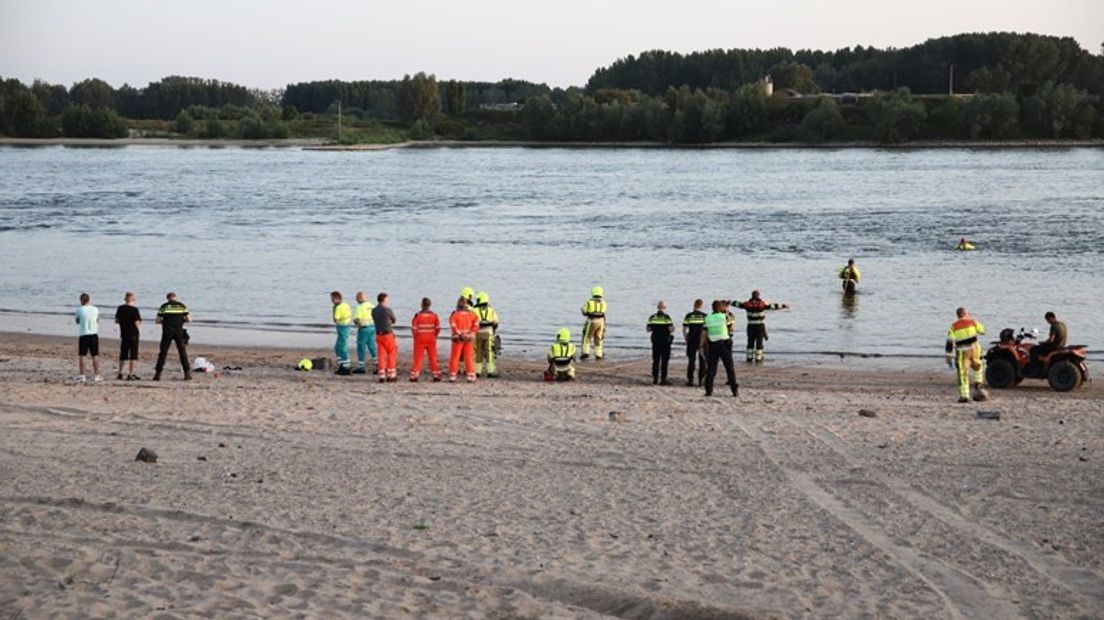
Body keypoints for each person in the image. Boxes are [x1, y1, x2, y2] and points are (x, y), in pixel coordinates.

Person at [945, 307, 988, 403]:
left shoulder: (954, 327)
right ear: (966, 314)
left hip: (962, 352)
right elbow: (983, 331)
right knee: (978, 366)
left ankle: (964, 396)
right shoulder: (973, 322)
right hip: (975, 350)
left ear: (958, 315)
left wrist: (948, 356)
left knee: (962, 373)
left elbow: (949, 342)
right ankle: (978, 383)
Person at [735, 290, 790, 363]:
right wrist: (784, 306)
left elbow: (737, 304)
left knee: (750, 342)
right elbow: (773, 306)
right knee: (759, 343)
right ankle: (758, 358)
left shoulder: (747, 304)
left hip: (750, 325)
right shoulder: (762, 304)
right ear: (758, 295)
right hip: (760, 326)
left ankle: (749, 358)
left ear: (752, 295)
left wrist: (728, 302)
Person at [701, 300, 739, 397]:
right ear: (720, 308)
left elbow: (704, 333)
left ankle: (708, 390)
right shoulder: (724, 317)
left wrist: (701, 345)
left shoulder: (707, 318)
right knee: (729, 368)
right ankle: (734, 390)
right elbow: (732, 329)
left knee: (711, 369)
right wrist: (728, 317)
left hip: (712, 345)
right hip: (724, 344)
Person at [153, 292, 191, 381]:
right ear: (175, 297)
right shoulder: (181, 306)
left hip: (167, 331)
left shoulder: (164, 306)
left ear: (167, 298)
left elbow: (157, 320)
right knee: (182, 352)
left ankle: (158, 374)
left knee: (163, 352)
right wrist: (181, 320)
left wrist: (164, 322)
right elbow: (189, 319)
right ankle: (187, 373)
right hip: (178, 331)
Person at [409, 297, 442, 382]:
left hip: (420, 339)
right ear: (430, 305)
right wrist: (434, 335)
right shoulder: (434, 315)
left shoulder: (418, 316)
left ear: (421, 305)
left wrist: (415, 337)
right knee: (433, 357)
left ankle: (414, 375)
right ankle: (436, 375)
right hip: (431, 338)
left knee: (418, 358)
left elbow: (414, 328)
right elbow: (438, 328)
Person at [448, 297, 479, 382]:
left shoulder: (455, 314)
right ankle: (470, 375)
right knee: (468, 357)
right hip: (468, 339)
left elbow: (453, 325)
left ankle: (453, 375)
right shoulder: (472, 314)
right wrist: (470, 334)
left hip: (457, 339)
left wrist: (460, 334)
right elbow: (476, 324)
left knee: (455, 357)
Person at [114, 291, 142, 380]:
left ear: (125, 299)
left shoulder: (120, 308)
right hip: (133, 334)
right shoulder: (134, 310)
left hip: (124, 333)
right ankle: (130, 373)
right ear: (133, 299)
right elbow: (137, 322)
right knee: (133, 355)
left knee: (123, 354)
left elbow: (116, 320)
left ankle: (120, 372)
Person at [646, 300, 675, 385]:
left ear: (657, 307)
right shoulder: (667, 318)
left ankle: (655, 378)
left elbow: (648, 329)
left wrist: (655, 328)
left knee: (656, 360)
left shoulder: (652, 317)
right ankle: (663, 379)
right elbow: (671, 329)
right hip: (665, 341)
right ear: (665, 308)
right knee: (664, 360)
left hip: (655, 341)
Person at [74, 292, 101, 382]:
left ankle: (82, 375)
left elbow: (77, 321)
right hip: (93, 334)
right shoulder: (95, 309)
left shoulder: (79, 310)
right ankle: (97, 375)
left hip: (83, 334)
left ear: (81, 300)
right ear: (89, 300)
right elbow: (97, 320)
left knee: (83, 355)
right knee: (95, 355)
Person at [372, 293, 399, 382]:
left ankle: (382, 375)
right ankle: (391, 375)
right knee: (391, 353)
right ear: (384, 299)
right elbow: (394, 320)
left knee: (381, 355)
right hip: (388, 334)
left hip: (379, 334)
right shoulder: (387, 310)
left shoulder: (374, 310)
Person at [473, 291, 500, 378]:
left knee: (478, 352)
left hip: (478, 333)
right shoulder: (491, 310)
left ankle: (478, 371)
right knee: (489, 352)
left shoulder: (474, 310)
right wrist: (493, 330)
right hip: (489, 333)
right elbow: (496, 322)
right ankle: (490, 371)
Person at [682, 299, 708, 386]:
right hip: (702, 340)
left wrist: (686, 338)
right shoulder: (705, 316)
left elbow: (684, 329)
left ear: (694, 305)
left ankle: (690, 380)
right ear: (702, 306)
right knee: (702, 360)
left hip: (692, 339)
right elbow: (707, 330)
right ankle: (701, 379)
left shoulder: (689, 316)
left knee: (691, 360)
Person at [353, 291, 377, 375]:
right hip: (372, 327)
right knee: (372, 346)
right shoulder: (371, 306)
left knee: (361, 347)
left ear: (359, 298)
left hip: (364, 328)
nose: (356, 300)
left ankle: (361, 366)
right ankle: (378, 364)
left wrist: (356, 322)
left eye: (356, 298)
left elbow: (358, 319)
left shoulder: (360, 307)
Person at [580, 286, 607, 360]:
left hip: (591, 320)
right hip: (601, 321)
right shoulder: (604, 303)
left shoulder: (589, 302)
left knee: (587, 337)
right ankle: (599, 354)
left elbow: (584, 311)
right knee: (599, 338)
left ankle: (585, 353)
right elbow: (604, 312)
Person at [331, 291, 353, 375]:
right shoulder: (346, 305)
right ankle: (341, 365)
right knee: (337, 347)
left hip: (342, 327)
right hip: (347, 326)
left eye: (333, 299)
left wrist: (334, 310)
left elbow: (335, 319)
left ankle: (346, 367)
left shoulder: (338, 307)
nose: (332, 301)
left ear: (337, 298)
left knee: (342, 347)